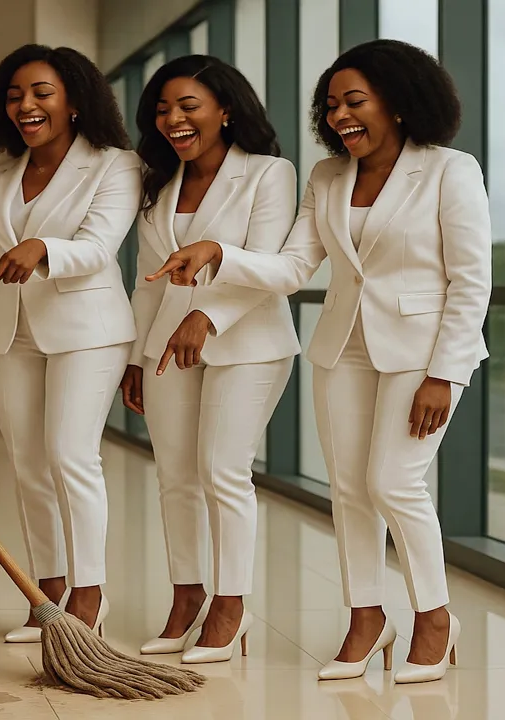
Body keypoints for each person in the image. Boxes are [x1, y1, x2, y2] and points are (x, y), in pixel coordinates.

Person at [148, 40, 491, 683]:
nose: (339, 116)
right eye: (331, 106)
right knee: (349, 490)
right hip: (342, 349)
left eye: (354, 102)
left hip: (422, 352)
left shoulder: (450, 170)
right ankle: (366, 618)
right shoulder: (328, 177)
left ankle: (435, 619)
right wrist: (219, 252)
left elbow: (471, 281)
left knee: (395, 484)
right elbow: (294, 266)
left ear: (398, 102)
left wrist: (446, 373)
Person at [123, 55, 300, 664]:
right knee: (175, 477)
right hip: (167, 346)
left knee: (223, 470)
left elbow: (271, 265)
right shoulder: (158, 184)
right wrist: (135, 356)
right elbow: (147, 282)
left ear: (225, 110)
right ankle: (187, 596)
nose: (173, 118)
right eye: (162, 109)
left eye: (188, 106)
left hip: (249, 344)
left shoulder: (268, 173)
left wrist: (209, 315)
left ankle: (230, 604)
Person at [0, 44, 141, 642]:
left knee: (70, 455)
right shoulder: (3, 168)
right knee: (28, 466)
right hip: (11, 331)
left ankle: (89, 594)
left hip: (86, 330)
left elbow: (98, 247)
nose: (26, 105)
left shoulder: (115, 165)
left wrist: (43, 248)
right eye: (15, 95)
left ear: (74, 101)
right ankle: (46, 591)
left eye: (41, 93)